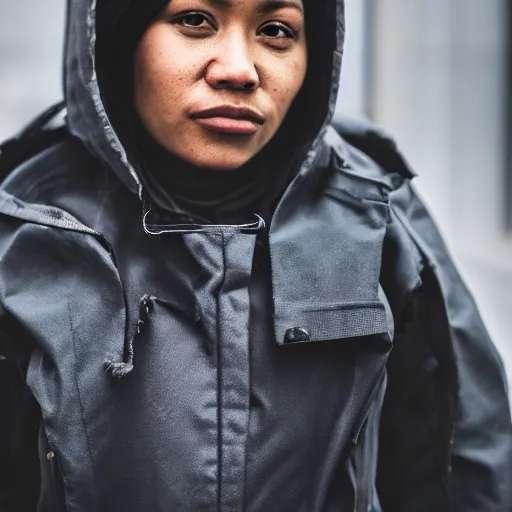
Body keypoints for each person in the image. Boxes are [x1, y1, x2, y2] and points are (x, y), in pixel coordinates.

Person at [0, 0, 511, 510]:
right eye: (195, 20)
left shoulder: (374, 217)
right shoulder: (22, 228)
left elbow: (465, 467)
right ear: (116, 36)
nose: (240, 71)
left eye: (276, 29)